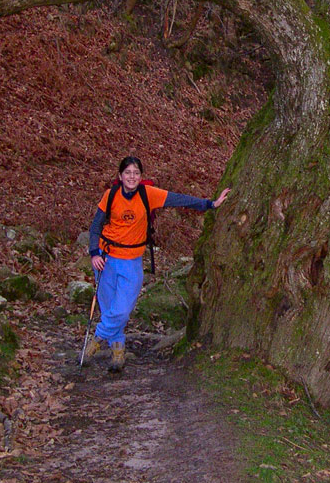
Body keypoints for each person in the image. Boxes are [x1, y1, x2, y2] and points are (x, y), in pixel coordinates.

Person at [81, 155, 229, 371]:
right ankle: (118, 349)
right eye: (128, 173)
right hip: (106, 258)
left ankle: (97, 338)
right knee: (108, 307)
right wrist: (94, 253)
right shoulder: (110, 195)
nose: (132, 177)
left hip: (131, 261)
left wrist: (211, 204)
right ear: (120, 176)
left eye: (136, 173)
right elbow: (95, 228)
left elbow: (179, 199)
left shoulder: (148, 194)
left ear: (141, 176)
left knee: (122, 310)